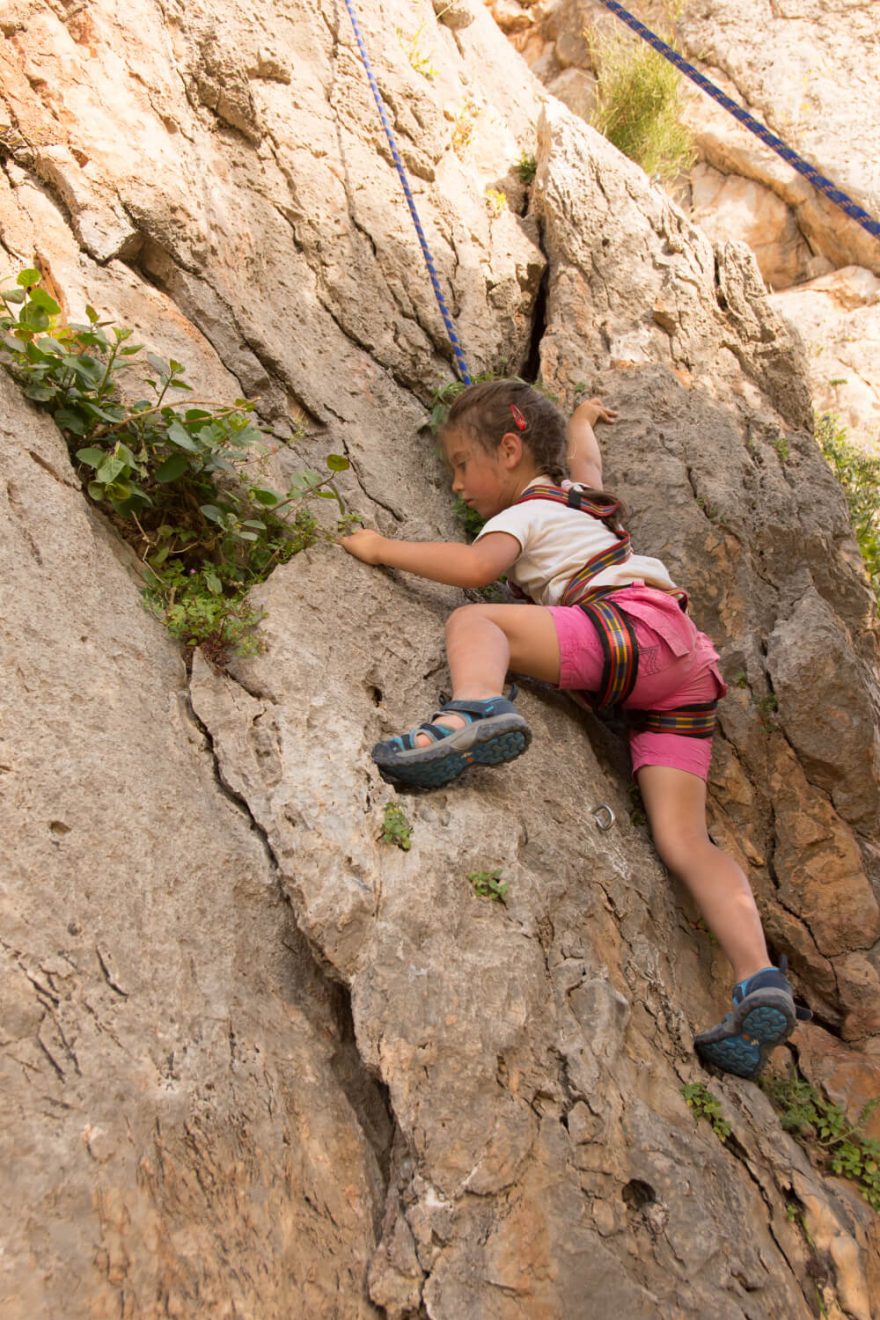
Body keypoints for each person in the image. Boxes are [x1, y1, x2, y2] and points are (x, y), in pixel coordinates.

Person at [340, 379, 806, 1078]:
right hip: (682, 663)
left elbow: (475, 568)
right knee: (685, 841)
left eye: (463, 465)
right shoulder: (580, 502)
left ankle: (475, 712)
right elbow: (586, 464)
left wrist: (380, 548)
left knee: (475, 619)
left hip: (625, 634)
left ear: (509, 448)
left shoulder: (526, 513)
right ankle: (758, 978)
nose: (459, 486)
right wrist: (583, 418)